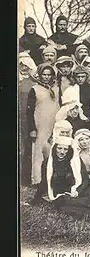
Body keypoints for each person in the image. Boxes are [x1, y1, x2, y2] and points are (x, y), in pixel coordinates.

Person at [27, 63, 60, 185]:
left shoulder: (56, 88)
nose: (46, 77)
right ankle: (38, 178)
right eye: (44, 75)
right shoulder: (34, 89)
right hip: (40, 124)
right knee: (39, 151)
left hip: (54, 123)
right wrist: (32, 129)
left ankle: (52, 178)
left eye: (49, 75)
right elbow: (29, 111)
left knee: (53, 149)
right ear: (39, 75)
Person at [29, 136, 88, 206]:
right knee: (64, 204)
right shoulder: (48, 163)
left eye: (65, 149)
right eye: (59, 148)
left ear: (69, 150)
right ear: (54, 148)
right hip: (61, 194)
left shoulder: (75, 161)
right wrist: (35, 200)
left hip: (78, 190)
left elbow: (85, 180)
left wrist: (77, 192)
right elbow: (44, 182)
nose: (62, 152)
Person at [19, 54, 38, 185]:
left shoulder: (34, 82)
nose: (24, 68)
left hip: (29, 118)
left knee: (28, 147)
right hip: (18, 116)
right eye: (21, 65)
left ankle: (26, 176)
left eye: (26, 65)